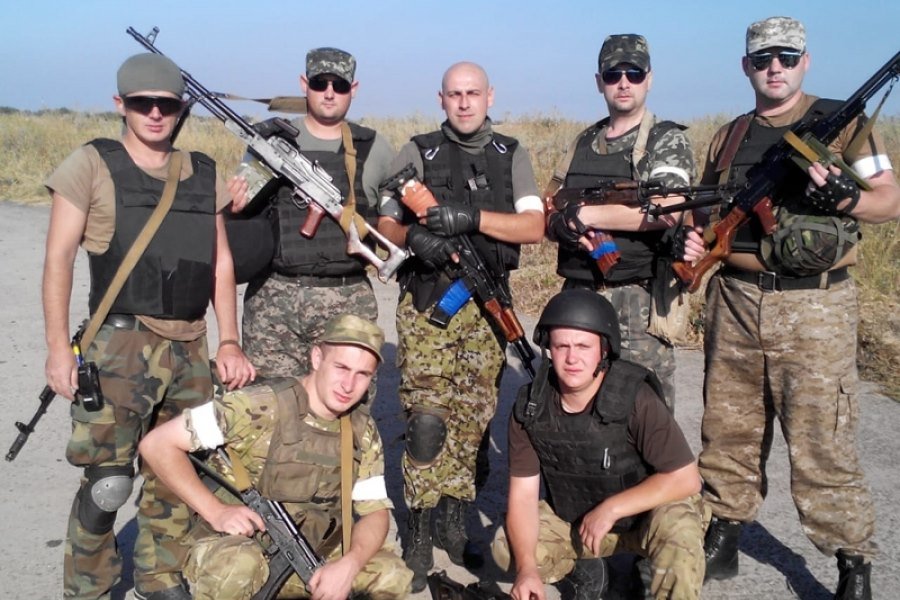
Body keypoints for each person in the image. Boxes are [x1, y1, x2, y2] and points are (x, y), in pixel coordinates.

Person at [682, 16, 900, 599]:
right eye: (762, 59)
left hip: (816, 305)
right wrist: (696, 241)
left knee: (823, 436)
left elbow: (890, 200)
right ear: (746, 67)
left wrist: (849, 199)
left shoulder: (843, 124)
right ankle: (724, 532)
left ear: (805, 61)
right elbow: (706, 214)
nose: (774, 68)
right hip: (735, 298)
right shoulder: (729, 135)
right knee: (727, 427)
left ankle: (853, 561)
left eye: (785, 56)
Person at [43, 53, 255, 599]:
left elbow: (221, 262)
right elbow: (58, 258)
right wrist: (58, 349)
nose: (155, 114)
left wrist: (230, 340)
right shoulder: (91, 164)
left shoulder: (203, 173)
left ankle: (160, 576)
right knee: (108, 482)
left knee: (180, 469)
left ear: (181, 108)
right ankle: (88, 586)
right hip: (119, 344)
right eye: (143, 104)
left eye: (166, 104)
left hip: (190, 345)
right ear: (121, 104)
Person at [377, 61, 544, 591]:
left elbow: (534, 226)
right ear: (441, 99)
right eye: (455, 94)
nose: (465, 102)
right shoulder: (417, 151)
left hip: (486, 305)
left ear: (490, 96)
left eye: (474, 93)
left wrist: (471, 220)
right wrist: (413, 239)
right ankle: (419, 524)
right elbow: (385, 220)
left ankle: (454, 515)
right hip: (429, 302)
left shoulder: (511, 154)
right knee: (427, 420)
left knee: (472, 421)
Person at [138, 314, 413, 600]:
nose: (348, 385)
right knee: (234, 568)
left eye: (362, 374)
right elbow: (158, 444)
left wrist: (349, 564)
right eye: (341, 367)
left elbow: (375, 511)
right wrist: (216, 511)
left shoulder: (360, 428)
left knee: (390, 575)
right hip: (240, 551)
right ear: (317, 358)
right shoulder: (259, 405)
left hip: (314, 554)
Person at [491, 289, 708, 600]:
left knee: (681, 536)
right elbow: (523, 498)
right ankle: (586, 569)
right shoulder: (531, 407)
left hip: (646, 519)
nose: (572, 358)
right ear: (549, 349)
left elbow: (686, 479)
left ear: (603, 350)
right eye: (562, 346)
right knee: (508, 548)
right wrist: (527, 570)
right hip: (581, 523)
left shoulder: (636, 397)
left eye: (583, 346)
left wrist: (611, 508)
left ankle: (652, 571)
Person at [544, 34, 695, 409]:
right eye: (613, 74)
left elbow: (669, 207)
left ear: (649, 78)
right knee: (575, 407)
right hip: (578, 294)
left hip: (636, 300)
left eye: (634, 73)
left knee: (643, 411)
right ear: (600, 82)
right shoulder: (583, 143)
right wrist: (561, 224)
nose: (624, 82)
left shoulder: (665, 140)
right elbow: (551, 204)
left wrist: (587, 215)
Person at [232, 46, 396, 378]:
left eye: (340, 85)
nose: (330, 93)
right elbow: (241, 205)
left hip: (348, 298)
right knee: (273, 401)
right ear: (304, 84)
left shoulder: (375, 147)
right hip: (274, 300)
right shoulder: (274, 140)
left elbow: (391, 219)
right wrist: (231, 205)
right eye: (320, 83)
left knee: (346, 400)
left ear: (354, 89)